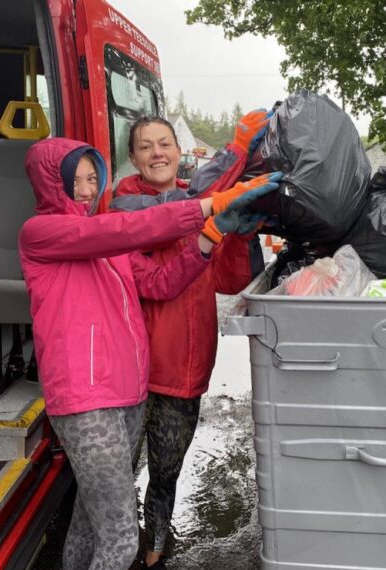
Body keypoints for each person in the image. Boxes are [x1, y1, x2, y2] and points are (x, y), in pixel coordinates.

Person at [19, 137, 279, 570]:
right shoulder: (42, 233)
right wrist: (208, 205)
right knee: (122, 541)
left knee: (89, 522)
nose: (85, 190)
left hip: (127, 395)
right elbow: (127, 230)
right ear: (50, 185)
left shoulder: (107, 244)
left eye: (91, 179)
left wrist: (209, 237)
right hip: (86, 401)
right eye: (73, 181)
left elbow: (161, 282)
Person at [111, 111, 272, 569]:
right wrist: (232, 160)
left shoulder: (202, 201)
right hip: (131, 369)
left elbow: (229, 280)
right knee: (115, 477)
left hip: (184, 367)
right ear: (133, 158)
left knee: (165, 475)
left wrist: (240, 234)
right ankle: (116, 550)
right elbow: (158, 271)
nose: (157, 153)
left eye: (165, 144)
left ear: (179, 152)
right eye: (146, 146)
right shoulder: (125, 207)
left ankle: (155, 552)